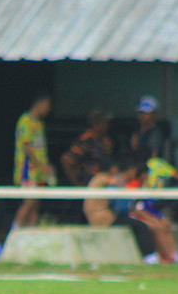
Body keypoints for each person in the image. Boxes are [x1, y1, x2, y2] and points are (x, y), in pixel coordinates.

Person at [82, 158, 156, 262]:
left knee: (136, 224)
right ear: (113, 168)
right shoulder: (105, 179)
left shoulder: (97, 179)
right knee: (140, 226)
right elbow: (120, 202)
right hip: (104, 218)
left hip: (101, 216)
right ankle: (150, 258)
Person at [12, 92, 56, 229]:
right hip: (28, 171)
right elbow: (27, 148)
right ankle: (15, 230)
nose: (49, 108)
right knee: (29, 202)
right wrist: (41, 166)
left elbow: (40, 149)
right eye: (47, 105)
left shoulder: (39, 123)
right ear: (39, 103)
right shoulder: (25, 121)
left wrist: (46, 166)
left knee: (36, 203)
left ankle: (31, 231)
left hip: (40, 173)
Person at [61, 109, 113, 187]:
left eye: (107, 123)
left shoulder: (107, 141)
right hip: (87, 183)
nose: (107, 125)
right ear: (95, 124)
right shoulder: (86, 140)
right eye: (104, 122)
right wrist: (76, 185)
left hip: (104, 183)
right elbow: (66, 161)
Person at [129, 95, 166, 159]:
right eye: (141, 113)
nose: (142, 116)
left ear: (154, 115)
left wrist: (135, 148)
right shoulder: (136, 131)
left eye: (146, 113)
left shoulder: (155, 133)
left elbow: (153, 157)